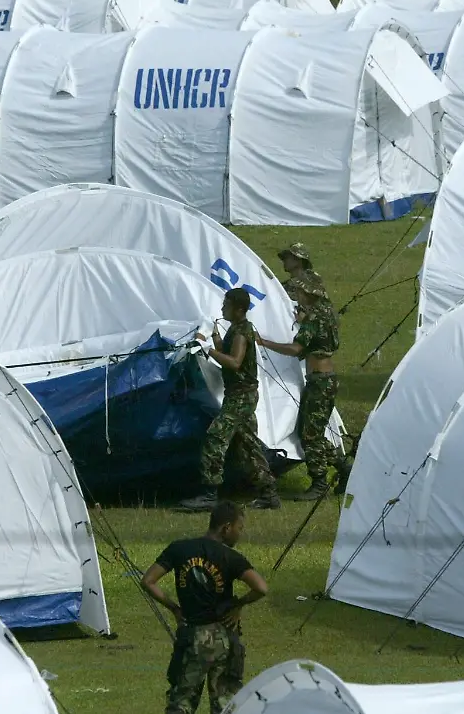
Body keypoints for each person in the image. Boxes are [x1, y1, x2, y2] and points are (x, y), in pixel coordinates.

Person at [142, 501, 268, 714]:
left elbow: (148, 581)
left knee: (181, 703)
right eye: (239, 528)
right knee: (226, 704)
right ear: (226, 527)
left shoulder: (179, 549)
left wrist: (174, 607)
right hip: (223, 637)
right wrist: (238, 605)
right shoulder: (230, 557)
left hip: (191, 636)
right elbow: (261, 588)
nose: (240, 534)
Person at [179, 288, 280, 511]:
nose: (222, 308)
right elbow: (225, 351)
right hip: (239, 395)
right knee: (249, 447)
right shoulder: (236, 328)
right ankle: (268, 493)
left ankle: (209, 493)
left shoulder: (242, 332)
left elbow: (234, 362)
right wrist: (214, 336)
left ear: (239, 309)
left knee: (215, 438)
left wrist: (207, 349)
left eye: (226, 305)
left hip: (241, 396)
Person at [256, 274, 351, 500]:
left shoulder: (314, 318)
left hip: (319, 381)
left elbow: (296, 349)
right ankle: (344, 469)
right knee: (312, 432)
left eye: (299, 291)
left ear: (308, 293)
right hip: (325, 379)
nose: (296, 295)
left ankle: (319, 483)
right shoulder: (326, 313)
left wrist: (264, 342)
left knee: (310, 435)